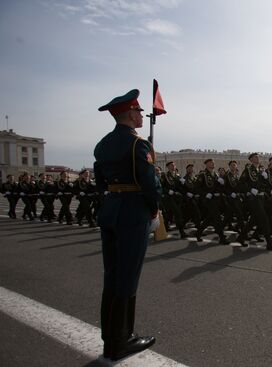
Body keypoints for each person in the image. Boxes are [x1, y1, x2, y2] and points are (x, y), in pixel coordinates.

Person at [94, 89, 160, 360]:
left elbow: (100, 181)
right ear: (130, 114)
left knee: (112, 276)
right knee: (128, 277)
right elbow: (149, 182)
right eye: (139, 111)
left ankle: (111, 338)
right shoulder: (138, 144)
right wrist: (155, 209)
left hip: (111, 210)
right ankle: (122, 340)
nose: (141, 115)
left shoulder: (102, 144)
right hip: (133, 213)